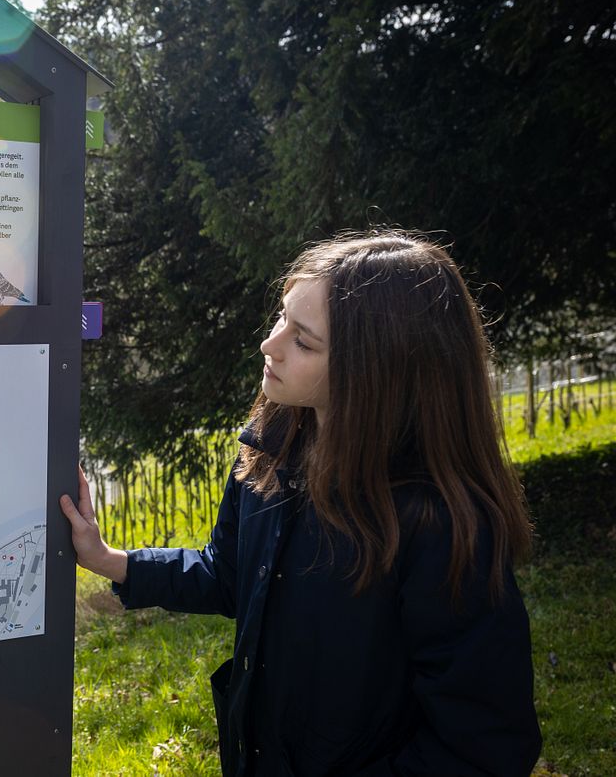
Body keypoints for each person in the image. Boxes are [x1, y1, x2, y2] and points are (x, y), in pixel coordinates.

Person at [61, 232, 543, 776]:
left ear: (377, 373)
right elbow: (229, 574)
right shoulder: (274, 446)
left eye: (304, 341)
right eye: (282, 319)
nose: (271, 344)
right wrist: (108, 559)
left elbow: (485, 747)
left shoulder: (442, 527)